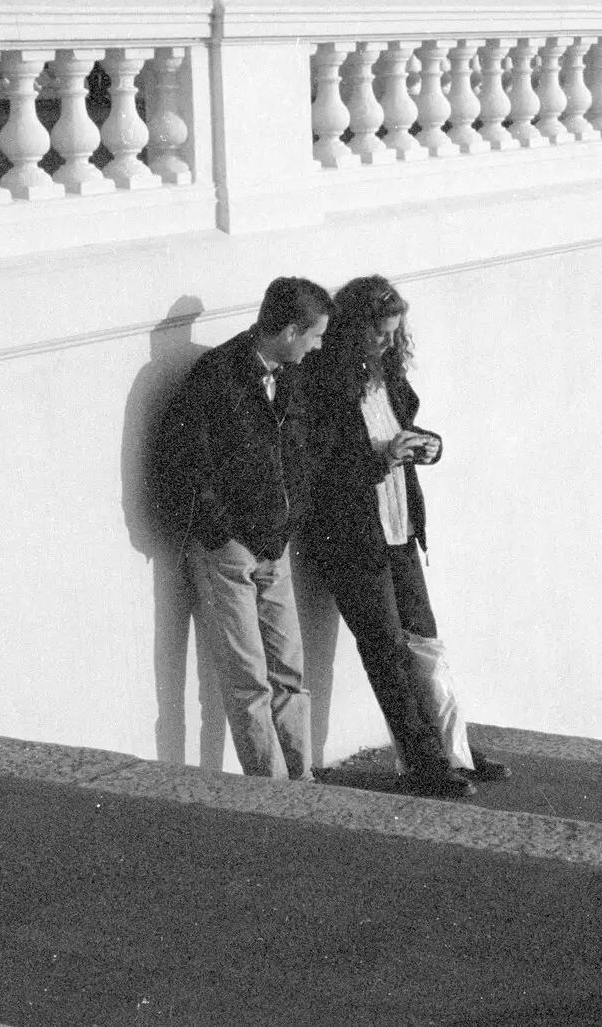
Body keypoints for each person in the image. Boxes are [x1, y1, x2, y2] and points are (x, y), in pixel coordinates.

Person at [301, 274, 511, 799]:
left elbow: (408, 423)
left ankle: (451, 749)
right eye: (380, 333)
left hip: (397, 527)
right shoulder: (325, 380)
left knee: (425, 644)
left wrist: (426, 445)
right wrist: (380, 460)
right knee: (388, 651)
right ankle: (423, 763)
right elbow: (319, 469)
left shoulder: (384, 373)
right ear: (354, 331)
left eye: (396, 332)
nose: (391, 342)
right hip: (352, 538)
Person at [153, 277, 332, 780]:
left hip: (274, 547)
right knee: (248, 679)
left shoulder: (291, 375)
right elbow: (184, 462)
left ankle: (303, 785)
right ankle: (272, 793)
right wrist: (220, 533)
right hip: (228, 553)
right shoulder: (216, 375)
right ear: (292, 329)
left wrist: (290, 520)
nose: (319, 346)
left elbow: (301, 452)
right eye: (315, 335)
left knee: (289, 672)